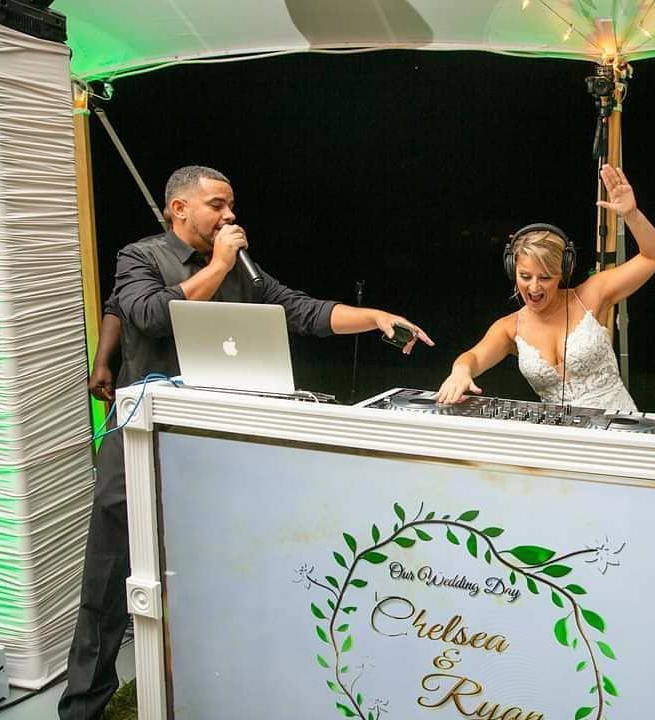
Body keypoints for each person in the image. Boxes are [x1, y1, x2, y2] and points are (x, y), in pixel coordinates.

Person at [58, 165, 433, 720]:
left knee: (212, 578)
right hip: (137, 445)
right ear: (179, 209)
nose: (230, 215)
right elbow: (149, 315)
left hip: (209, 453)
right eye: (217, 204)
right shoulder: (142, 258)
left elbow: (303, 311)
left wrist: (374, 316)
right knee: (109, 584)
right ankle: (83, 709)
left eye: (231, 204)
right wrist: (218, 265)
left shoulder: (247, 275)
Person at [435, 164, 655, 411]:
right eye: (525, 276)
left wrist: (632, 214)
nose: (534, 287)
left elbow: (654, 255)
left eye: (545, 278)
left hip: (618, 427)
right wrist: (460, 371)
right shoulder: (509, 328)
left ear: (562, 273)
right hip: (560, 437)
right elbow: (473, 357)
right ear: (512, 270)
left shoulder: (591, 294)